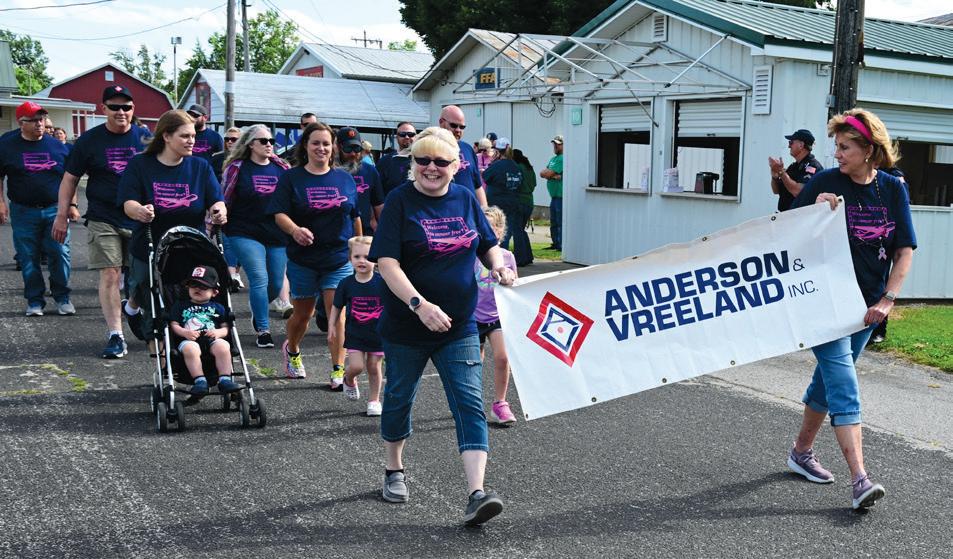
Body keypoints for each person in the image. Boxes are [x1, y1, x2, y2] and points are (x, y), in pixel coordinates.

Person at [369, 126, 515, 525]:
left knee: (468, 402)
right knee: (399, 398)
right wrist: (419, 305)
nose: (431, 168)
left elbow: (487, 244)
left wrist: (498, 267)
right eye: (422, 160)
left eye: (440, 161)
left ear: (456, 165)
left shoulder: (465, 197)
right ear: (413, 163)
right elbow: (387, 264)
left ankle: (477, 493)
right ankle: (394, 469)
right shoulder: (400, 201)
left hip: (460, 324)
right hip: (407, 325)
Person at [788, 108, 916, 510]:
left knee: (827, 381)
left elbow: (904, 250)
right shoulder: (824, 181)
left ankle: (800, 452)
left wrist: (887, 299)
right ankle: (860, 479)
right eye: (837, 146)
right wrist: (813, 212)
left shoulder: (892, 189)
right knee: (843, 383)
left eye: (845, 147)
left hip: (866, 307)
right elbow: (785, 233)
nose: (837, 154)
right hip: (822, 302)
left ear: (869, 150)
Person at [52, 85, 150, 358]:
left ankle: (132, 307)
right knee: (111, 274)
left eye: (126, 107)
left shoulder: (145, 138)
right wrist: (62, 215)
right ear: (103, 108)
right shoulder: (89, 141)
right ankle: (116, 335)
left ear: (133, 109)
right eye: (114, 107)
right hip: (103, 216)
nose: (121, 112)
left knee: (143, 278)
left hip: (139, 217)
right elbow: (70, 179)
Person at [117, 109, 227, 350]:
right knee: (149, 293)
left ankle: (184, 349)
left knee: (183, 299)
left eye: (193, 136)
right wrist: (139, 210)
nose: (191, 141)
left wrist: (219, 211)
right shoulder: (140, 164)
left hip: (189, 246)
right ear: (166, 136)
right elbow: (128, 203)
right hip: (149, 243)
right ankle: (142, 320)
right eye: (185, 136)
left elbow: (216, 200)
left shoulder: (200, 166)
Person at [267, 121, 361, 388]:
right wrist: (295, 230)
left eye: (326, 143)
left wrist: (359, 249)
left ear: (334, 148)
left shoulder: (344, 179)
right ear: (305, 146)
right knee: (303, 315)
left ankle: (338, 369)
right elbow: (279, 213)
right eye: (316, 143)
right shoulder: (291, 178)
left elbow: (354, 216)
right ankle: (292, 349)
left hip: (338, 258)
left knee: (337, 314)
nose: (321, 148)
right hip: (303, 259)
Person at [0, 101, 75, 316]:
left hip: (55, 209)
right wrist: (1, 202)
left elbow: (70, 178)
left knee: (59, 253)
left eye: (41, 119)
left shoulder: (58, 147)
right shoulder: (6, 145)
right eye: (33, 120)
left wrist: (71, 205)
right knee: (28, 256)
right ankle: (34, 301)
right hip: (23, 210)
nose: (39, 124)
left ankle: (62, 297)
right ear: (21, 123)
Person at [222, 124, 291, 349]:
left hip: (276, 232)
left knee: (276, 282)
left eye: (271, 141)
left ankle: (259, 309)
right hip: (244, 230)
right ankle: (263, 329)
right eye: (263, 141)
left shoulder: (282, 168)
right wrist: (216, 222)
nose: (269, 144)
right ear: (250, 144)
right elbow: (224, 197)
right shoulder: (237, 168)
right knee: (259, 278)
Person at [329, 236, 384, 416]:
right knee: (357, 366)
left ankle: (374, 400)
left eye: (367, 257)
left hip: (378, 334)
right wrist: (331, 326)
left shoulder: (383, 282)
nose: (362, 261)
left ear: (375, 259)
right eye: (357, 256)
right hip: (355, 334)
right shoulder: (346, 284)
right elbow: (337, 306)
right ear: (350, 258)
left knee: (374, 367)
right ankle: (349, 378)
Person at [474, 206, 519, 424]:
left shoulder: (508, 257)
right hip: (472, 316)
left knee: (502, 357)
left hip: (497, 315)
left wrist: (510, 279)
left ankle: (500, 403)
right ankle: (470, 402)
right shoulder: (470, 256)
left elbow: (514, 286)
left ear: (500, 231)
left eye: (491, 228)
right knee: (474, 362)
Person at [168, 265, 242, 395]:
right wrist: (185, 332)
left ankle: (225, 379)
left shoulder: (218, 307)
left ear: (214, 292)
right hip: (189, 339)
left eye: (203, 287)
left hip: (212, 339)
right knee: (191, 348)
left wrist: (218, 333)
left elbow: (226, 328)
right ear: (187, 288)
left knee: (224, 346)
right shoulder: (180, 306)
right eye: (193, 285)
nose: (197, 289)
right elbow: (174, 325)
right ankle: (200, 380)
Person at [483, 137, 532, 266]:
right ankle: (508, 258)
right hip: (513, 202)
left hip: (497, 203)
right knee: (508, 231)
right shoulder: (516, 166)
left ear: (498, 152)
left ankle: (498, 260)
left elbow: (485, 177)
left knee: (497, 231)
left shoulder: (497, 165)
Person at [211, 127, 243, 292]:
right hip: (220, 204)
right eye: (227, 139)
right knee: (226, 241)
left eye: (234, 139)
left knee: (239, 243)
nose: (230, 142)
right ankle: (231, 275)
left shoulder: (246, 159)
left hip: (241, 208)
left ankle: (235, 273)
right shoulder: (217, 158)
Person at [336, 126, 384, 233]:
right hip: (338, 235)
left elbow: (379, 204)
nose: (353, 153)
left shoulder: (370, 171)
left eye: (357, 148)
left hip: (365, 233)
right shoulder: (330, 171)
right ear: (339, 147)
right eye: (348, 149)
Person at [438, 105, 488, 207]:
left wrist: (485, 211)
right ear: (441, 122)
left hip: (469, 212)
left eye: (462, 127)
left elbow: (478, 186)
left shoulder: (468, 149)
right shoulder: (430, 148)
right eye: (453, 125)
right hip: (443, 211)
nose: (458, 130)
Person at [769, 128, 823, 212]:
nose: (789, 146)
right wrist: (774, 176)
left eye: (791, 142)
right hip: (786, 215)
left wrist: (781, 172)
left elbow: (798, 192)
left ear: (801, 145)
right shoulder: (793, 167)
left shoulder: (813, 166)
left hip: (801, 217)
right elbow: (776, 191)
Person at [377, 121, 416, 197]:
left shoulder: (424, 160)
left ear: (416, 137)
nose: (407, 137)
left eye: (411, 134)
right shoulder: (385, 161)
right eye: (402, 134)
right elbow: (377, 190)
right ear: (397, 137)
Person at [512, 148, 536, 266]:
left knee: (517, 230)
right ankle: (528, 256)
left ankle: (520, 258)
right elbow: (534, 184)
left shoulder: (517, 168)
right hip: (529, 201)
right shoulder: (529, 168)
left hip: (519, 200)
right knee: (521, 230)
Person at [539, 134, 564, 251]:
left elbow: (548, 173)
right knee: (553, 222)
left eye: (558, 144)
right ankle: (555, 243)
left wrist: (550, 175)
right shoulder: (553, 159)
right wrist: (553, 175)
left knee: (560, 221)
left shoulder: (563, 158)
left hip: (561, 196)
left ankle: (561, 244)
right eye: (554, 144)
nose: (555, 146)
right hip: (553, 196)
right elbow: (542, 173)